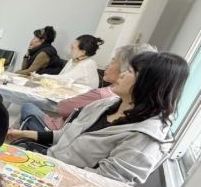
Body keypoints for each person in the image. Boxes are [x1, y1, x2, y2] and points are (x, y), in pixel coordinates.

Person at [8, 52, 189, 186]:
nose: (122, 74)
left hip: (64, 185)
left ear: (150, 84)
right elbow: (64, 135)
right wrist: (21, 134)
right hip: (47, 165)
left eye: (131, 71)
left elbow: (105, 182)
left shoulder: (144, 137)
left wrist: (45, 171)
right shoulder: (104, 104)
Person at [20, 44, 157, 131]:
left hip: (61, 134)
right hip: (64, 137)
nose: (107, 65)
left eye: (113, 61)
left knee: (28, 106)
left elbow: (63, 109)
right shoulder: (118, 102)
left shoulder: (104, 97)